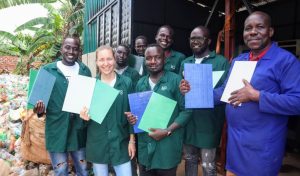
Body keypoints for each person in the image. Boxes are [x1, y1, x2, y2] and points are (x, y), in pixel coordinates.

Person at [180, 11, 300, 176]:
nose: (252, 32)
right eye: (248, 28)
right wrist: (193, 92)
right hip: (236, 143)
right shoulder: (239, 60)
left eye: (260, 27)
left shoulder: (285, 61)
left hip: (262, 146)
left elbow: (296, 102)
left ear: (270, 32)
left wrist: (256, 96)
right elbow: (225, 92)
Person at [125, 44, 192, 176]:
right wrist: (133, 118)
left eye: (157, 57)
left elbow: (187, 111)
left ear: (164, 59)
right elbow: (138, 114)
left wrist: (167, 131)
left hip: (167, 149)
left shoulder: (176, 80)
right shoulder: (140, 83)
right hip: (145, 149)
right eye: (149, 58)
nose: (153, 61)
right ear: (144, 61)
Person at [34, 36, 91, 176]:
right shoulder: (48, 71)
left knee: (83, 169)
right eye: (68, 47)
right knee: (60, 170)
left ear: (79, 51)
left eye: (75, 48)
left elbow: (88, 100)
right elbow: (38, 105)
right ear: (61, 49)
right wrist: (39, 109)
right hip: (57, 129)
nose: (71, 51)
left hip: (79, 130)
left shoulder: (85, 71)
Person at [179, 26, 230, 176]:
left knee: (208, 165)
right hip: (189, 121)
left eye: (199, 38)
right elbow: (180, 92)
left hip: (209, 123)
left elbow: (225, 91)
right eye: (192, 38)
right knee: (190, 159)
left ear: (208, 41)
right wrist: (181, 89)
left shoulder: (221, 62)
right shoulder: (186, 62)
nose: (195, 41)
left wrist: (204, 93)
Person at [79, 45, 136, 176]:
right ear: (97, 62)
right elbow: (82, 122)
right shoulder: (91, 86)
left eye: (109, 59)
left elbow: (131, 115)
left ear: (115, 59)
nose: (106, 64)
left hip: (120, 143)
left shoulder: (126, 83)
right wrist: (84, 117)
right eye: (101, 60)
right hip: (98, 143)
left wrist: (131, 141)